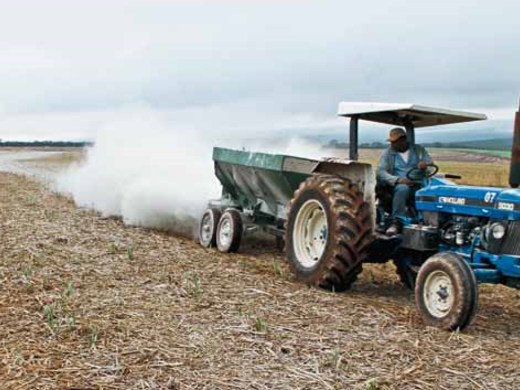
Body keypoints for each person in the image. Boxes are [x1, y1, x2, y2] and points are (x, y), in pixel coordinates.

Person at [376, 127, 433, 235]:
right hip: (398, 185)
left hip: (418, 183)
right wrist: (398, 180)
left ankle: (427, 221)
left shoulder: (419, 150)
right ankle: (397, 222)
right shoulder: (388, 154)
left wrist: (425, 166)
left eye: (395, 142)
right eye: (391, 142)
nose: (392, 145)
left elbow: (430, 167)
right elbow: (381, 172)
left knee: (432, 191)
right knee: (403, 189)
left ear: (404, 140)